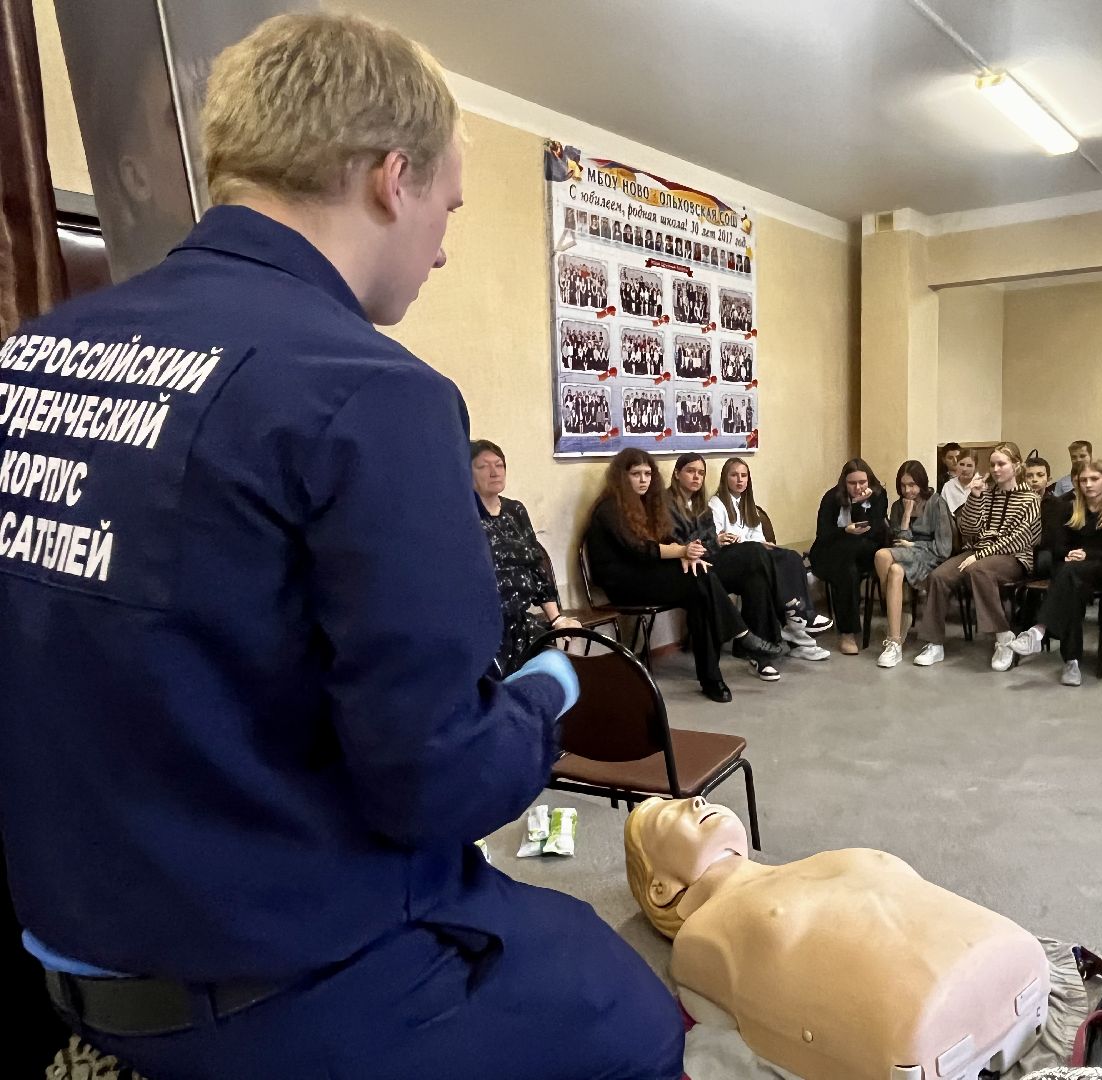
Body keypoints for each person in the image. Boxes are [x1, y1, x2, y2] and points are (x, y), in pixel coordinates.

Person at [0, 14, 684, 1080]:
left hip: (69, 943)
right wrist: (544, 696)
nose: (446, 246)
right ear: (390, 177)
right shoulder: (375, 394)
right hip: (272, 986)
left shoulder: (35, 352)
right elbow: (439, 785)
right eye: (448, 206)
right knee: (638, 1016)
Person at [623, 796, 1050, 1080]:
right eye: (670, 815)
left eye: (694, 799)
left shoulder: (799, 868)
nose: (697, 800)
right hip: (921, 1022)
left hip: (994, 947)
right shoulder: (702, 938)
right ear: (659, 887)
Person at [586, 449, 783, 702]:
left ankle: (712, 678)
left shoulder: (647, 504)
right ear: (622, 477)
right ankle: (741, 637)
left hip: (645, 573)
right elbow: (639, 550)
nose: (643, 479)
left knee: (700, 582)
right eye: (636, 474)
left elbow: (663, 539)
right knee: (700, 580)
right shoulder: (610, 507)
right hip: (622, 582)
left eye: (647, 473)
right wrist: (681, 550)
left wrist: (685, 556)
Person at [913, 442, 1040, 672]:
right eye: (992, 464)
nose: (996, 469)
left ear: (1016, 465)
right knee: (939, 576)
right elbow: (969, 529)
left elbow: (1020, 539)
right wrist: (974, 497)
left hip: (1013, 556)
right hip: (978, 552)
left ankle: (1003, 638)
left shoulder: (1029, 499)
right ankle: (935, 643)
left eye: (1001, 464)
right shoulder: (987, 493)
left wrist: (980, 555)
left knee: (979, 570)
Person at [666, 455, 788, 681]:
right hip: (688, 568)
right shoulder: (666, 503)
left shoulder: (700, 503)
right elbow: (672, 538)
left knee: (757, 578)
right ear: (677, 473)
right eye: (690, 471)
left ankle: (759, 657)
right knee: (755, 552)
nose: (696, 477)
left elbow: (711, 539)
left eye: (701, 473)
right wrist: (697, 546)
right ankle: (783, 612)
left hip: (709, 558)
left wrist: (708, 543)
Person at [471, 440, 582, 675]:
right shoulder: (464, 515)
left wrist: (557, 619)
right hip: (484, 627)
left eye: (499, 465)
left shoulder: (515, 510)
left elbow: (535, 564)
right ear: (466, 472)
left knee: (560, 666)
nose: (494, 472)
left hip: (521, 622)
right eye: (483, 466)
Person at [1009, 461, 1102, 685]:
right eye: (1083, 480)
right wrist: (1071, 553)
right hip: (1072, 572)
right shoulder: (1069, 509)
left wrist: (1086, 554)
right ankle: (1070, 661)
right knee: (1070, 584)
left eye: (1094, 479)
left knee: (1068, 577)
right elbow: (1056, 546)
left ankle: (1041, 632)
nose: (1088, 485)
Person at [709, 458, 832, 661]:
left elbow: (757, 536)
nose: (740, 480)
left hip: (754, 554)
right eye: (734, 475)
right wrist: (740, 540)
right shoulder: (717, 503)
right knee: (764, 566)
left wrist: (765, 544)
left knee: (791, 557)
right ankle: (796, 617)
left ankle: (799, 620)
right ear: (725, 478)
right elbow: (716, 536)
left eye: (744, 475)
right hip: (731, 558)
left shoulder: (749, 505)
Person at [874, 461, 954, 668]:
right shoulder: (898, 506)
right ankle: (894, 641)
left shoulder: (936, 503)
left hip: (930, 555)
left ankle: (900, 610)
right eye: (903, 485)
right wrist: (906, 516)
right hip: (907, 555)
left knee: (882, 556)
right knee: (894, 569)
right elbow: (898, 540)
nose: (907, 490)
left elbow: (944, 547)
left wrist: (914, 543)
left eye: (912, 485)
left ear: (922, 483)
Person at [810, 459, 889, 655]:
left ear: (869, 480)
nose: (858, 487)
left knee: (852, 557)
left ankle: (847, 632)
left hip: (863, 552)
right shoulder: (831, 497)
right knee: (847, 570)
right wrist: (845, 530)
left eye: (862, 482)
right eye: (852, 483)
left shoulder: (878, 496)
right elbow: (823, 534)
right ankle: (848, 633)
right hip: (830, 553)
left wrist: (859, 506)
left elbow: (874, 531)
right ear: (844, 483)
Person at [939, 447, 978, 514]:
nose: (964, 469)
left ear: (975, 467)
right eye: (962, 464)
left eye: (969, 465)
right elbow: (942, 512)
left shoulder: (982, 485)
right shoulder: (948, 486)